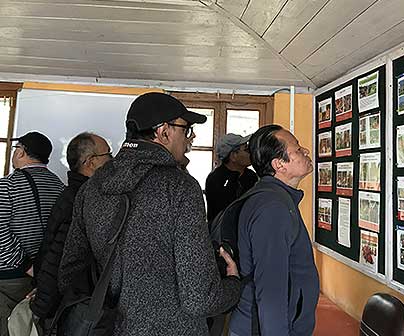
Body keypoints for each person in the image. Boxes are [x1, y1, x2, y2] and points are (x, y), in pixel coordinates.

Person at [58, 92, 241, 335]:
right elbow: (199, 298)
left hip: (106, 328)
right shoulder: (179, 187)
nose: (191, 138)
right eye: (186, 129)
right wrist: (233, 285)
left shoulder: (91, 187)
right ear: (164, 132)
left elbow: (70, 274)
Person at [229, 124, 319, 336]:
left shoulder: (276, 198)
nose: (305, 151)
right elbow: (270, 289)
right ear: (280, 165)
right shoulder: (273, 208)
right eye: (297, 149)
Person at [30, 132, 112, 327]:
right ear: (90, 162)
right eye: (108, 154)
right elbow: (57, 256)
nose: (112, 160)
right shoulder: (81, 201)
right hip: (68, 306)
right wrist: (43, 304)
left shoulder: (72, 194)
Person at [0, 131, 64, 336]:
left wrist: (26, 265)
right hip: (46, 279)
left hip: (10, 278)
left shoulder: (6, 186)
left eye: (16, 148)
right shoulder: (61, 187)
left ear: (22, 153)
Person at [205, 133, 258, 222]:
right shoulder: (216, 179)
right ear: (233, 156)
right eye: (246, 150)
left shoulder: (251, 176)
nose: (250, 152)